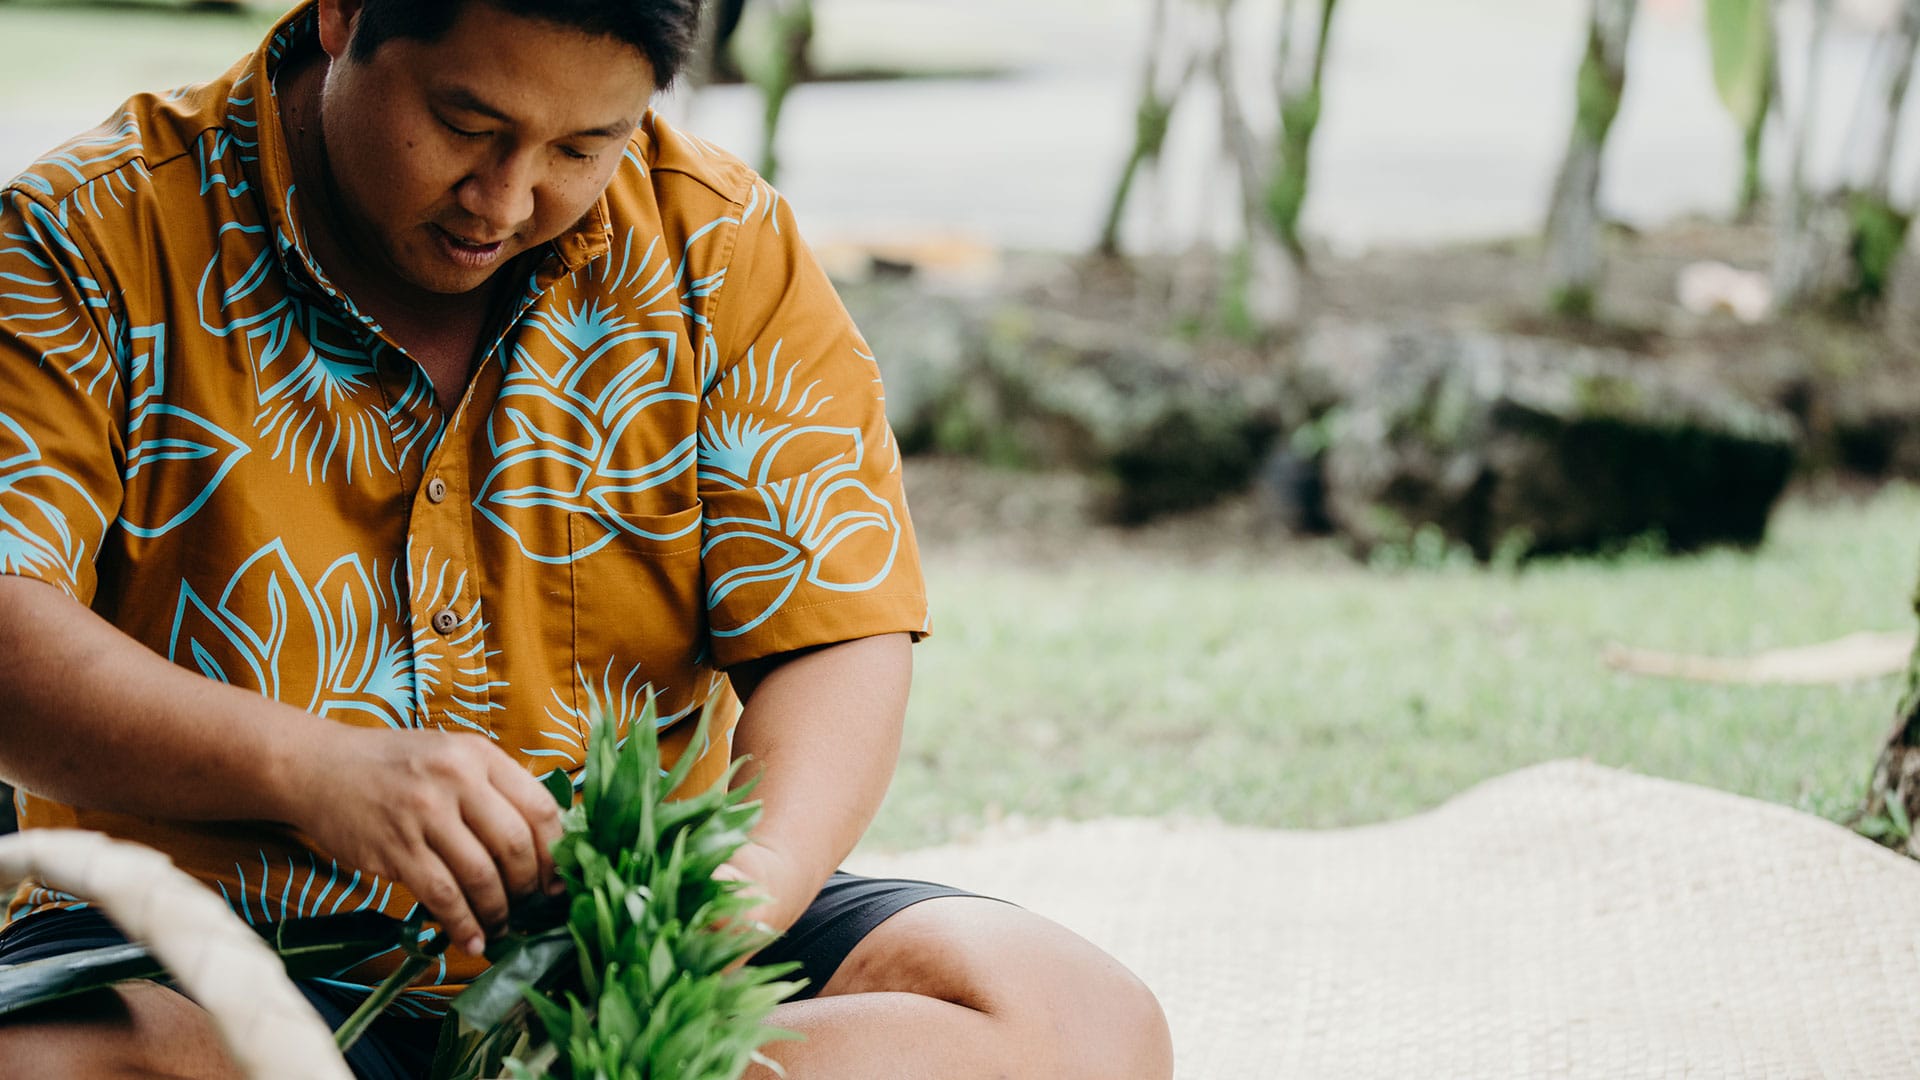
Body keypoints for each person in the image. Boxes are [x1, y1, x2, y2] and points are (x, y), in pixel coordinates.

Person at [0, 1, 1175, 1076]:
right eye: (466, 123)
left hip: (617, 940)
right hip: (204, 955)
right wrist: (307, 771)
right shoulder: (86, 235)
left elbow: (836, 625)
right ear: (343, 11)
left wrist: (726, 909)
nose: (505, 200)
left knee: (1073, 1020)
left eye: (582, 147)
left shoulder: (721, 243)